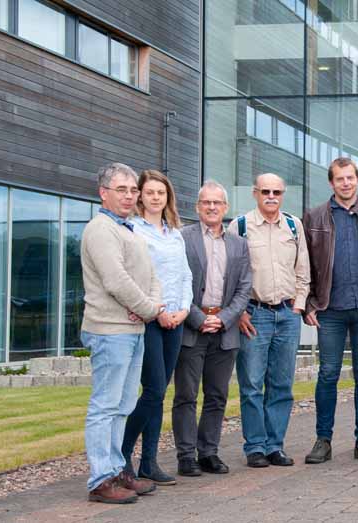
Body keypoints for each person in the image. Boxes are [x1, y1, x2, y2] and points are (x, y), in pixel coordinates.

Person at [81, 163, 162, 503]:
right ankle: (100, 480)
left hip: (133, 328)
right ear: (104, 193)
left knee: (123, 405)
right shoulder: (101, 230)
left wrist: (150, 307)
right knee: (105, 406)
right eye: (121, 190)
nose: (129, 195)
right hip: (110, 331)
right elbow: (116, 281)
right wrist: (148, 308)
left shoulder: (128, 230)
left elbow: (151, 278)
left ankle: (116, 470)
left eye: (133, 190)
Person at [302, 157, 358, 464]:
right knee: (328, 374)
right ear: (331, 183)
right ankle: (322, 440)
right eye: (339, 179)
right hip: (330, 309)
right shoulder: (314, 218)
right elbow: (306, 266)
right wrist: (310, 303)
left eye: (350, 177)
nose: (345, 183)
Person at [229, 173, 310, 468]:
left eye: (277, 191)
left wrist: (299, 306)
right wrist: (239, 311)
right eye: (266, 191)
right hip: (254, 314)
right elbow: (230, 275)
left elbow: (303, 270)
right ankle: (255, 447)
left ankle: (275, 446)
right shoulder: (239, 227)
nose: (271, 196)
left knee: (282, 385)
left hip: (288, 315)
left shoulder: (293, 225)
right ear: (255, 193)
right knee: (251, 384)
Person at [172, 181, 252, 477]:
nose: (212, 207)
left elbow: (244, 288)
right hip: (193, 327)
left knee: (217, 395)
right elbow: (175, 283)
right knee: (186, 395)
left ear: (225, 208)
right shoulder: (183, 238)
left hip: (225, 328)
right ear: (198, 207)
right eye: (206, 202)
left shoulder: (238, 244)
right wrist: (197, 317)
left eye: (217, 203)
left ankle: (209, 452)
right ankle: (185, 455)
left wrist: (226, 318)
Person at [121, 170, 192, 486]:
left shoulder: (174, 232)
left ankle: (148, 462)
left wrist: (185, 309)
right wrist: (158, 310)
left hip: (175, 320)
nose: (155, 197)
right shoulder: (133, 230)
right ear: (140, 196)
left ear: (168, 197)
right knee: (153, 390)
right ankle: (121, 455)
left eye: (160, 193)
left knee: (160, 393)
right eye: (149, 192)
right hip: (150, 320)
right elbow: (138, 276)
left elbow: (185, 275)